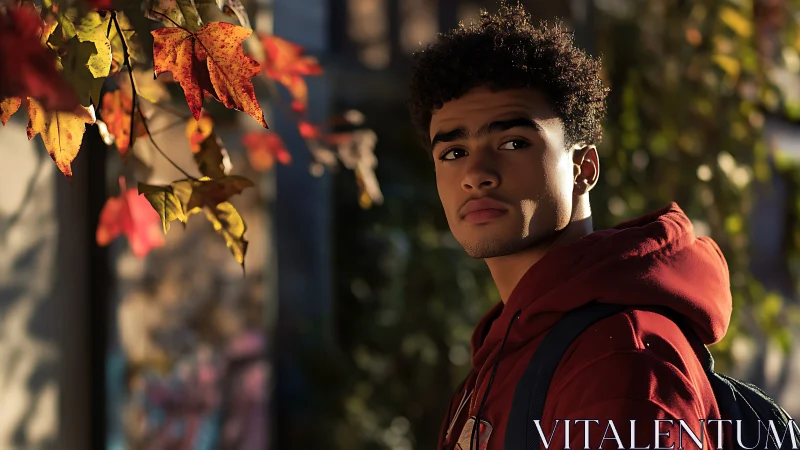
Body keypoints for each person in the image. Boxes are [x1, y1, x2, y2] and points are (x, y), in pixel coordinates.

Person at [407, 3, 732, 450]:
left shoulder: (618, 357)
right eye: (452, 152)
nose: (476, 173)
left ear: (584, 167)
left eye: (513, 142)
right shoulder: (503, 353)